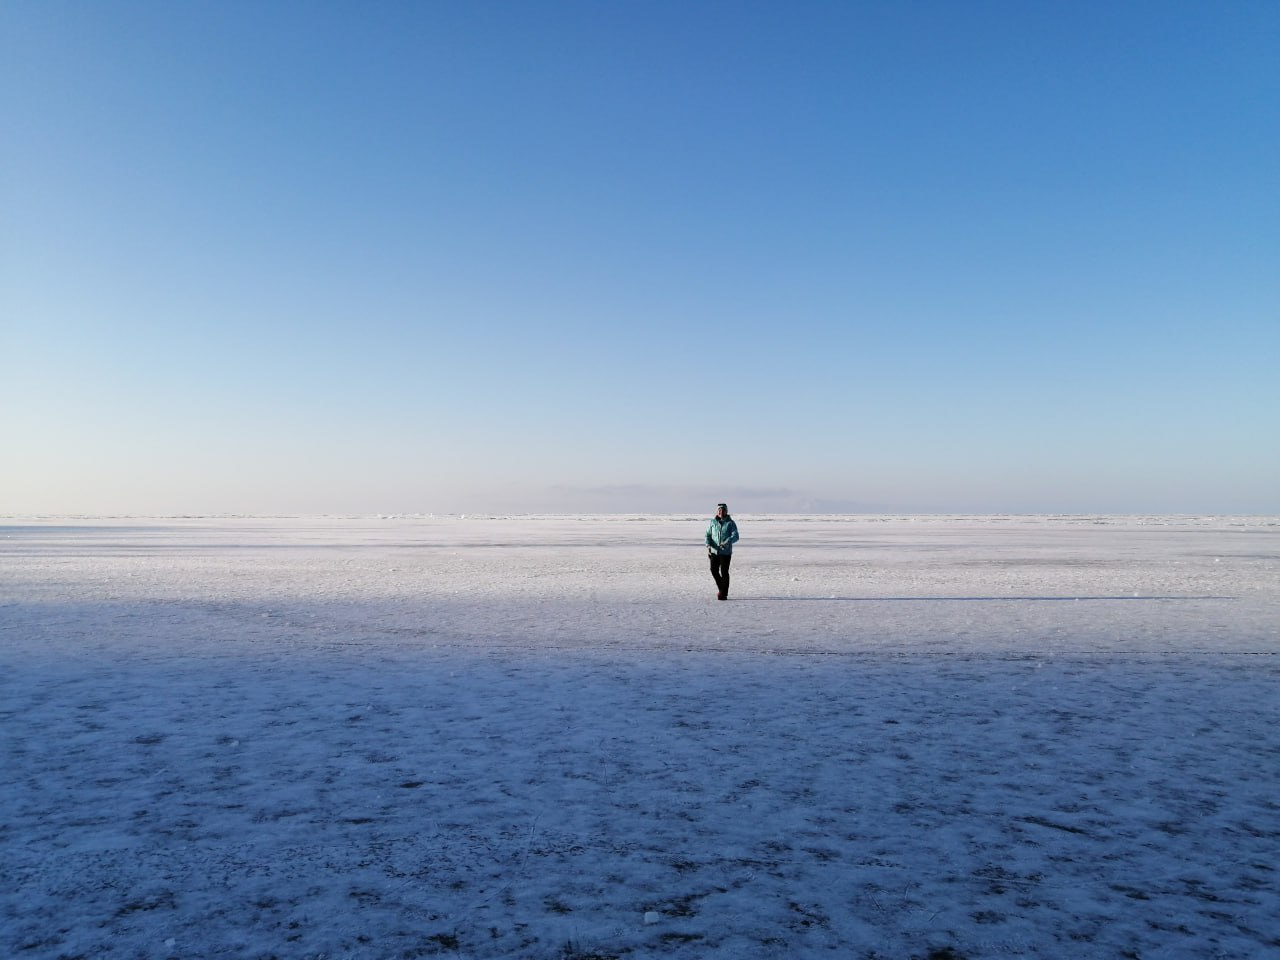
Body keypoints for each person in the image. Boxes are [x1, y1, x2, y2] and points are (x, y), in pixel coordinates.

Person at [705, 502, 740, 600]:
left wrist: (727, 542)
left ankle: (723, 594)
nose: (721, 512)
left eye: (723, 510)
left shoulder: (730, 523)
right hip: (714, 551)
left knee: (724, 572)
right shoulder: (712, 522)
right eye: (719, 510)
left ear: (726, 511)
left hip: (725, 552)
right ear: (717, 512)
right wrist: (708, 544)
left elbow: (736, 536)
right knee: (714, 570)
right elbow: (707, 534)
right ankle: (722, 590)